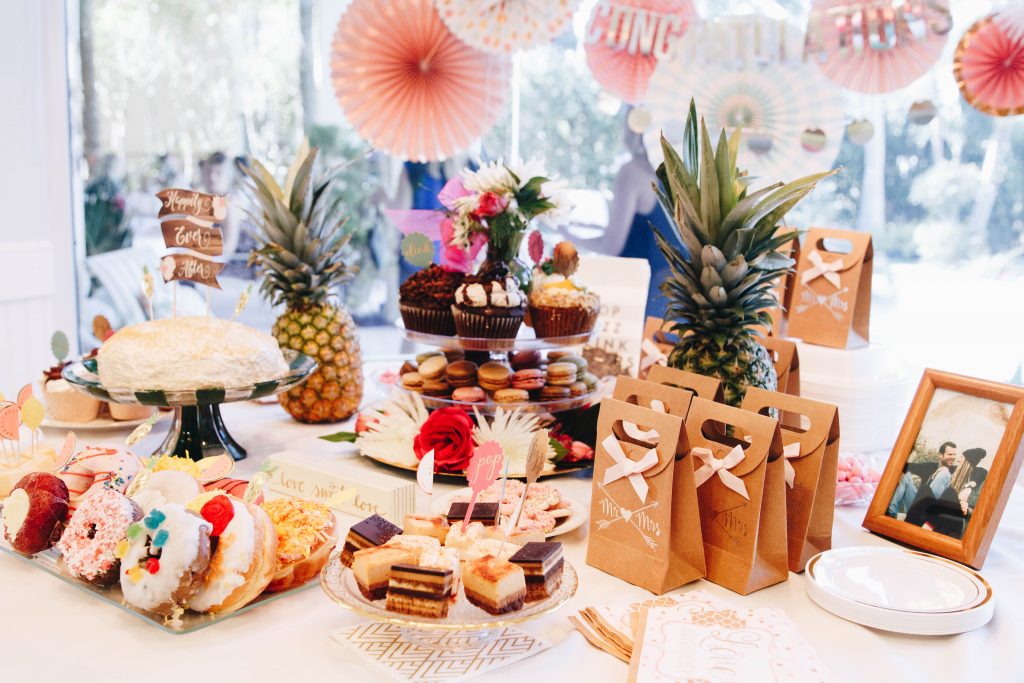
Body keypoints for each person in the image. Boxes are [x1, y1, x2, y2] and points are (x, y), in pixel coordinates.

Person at [562, 107, 678, 318]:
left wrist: (567, 236)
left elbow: (612, 245)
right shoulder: (673, 175)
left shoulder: (632, 172)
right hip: (673, 296)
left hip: (641, 292)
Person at [904, 441, 957, 527]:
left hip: (929, 510)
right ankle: (891, 512)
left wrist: (972, 483)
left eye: (954, 455)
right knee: (906, 477)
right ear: (941, 455)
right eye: (950, 454)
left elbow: (980, 471)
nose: (953, 457)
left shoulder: (951, 470)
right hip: (918, 502)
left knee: (943, 475)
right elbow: (908, 466)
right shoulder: (929, 467)